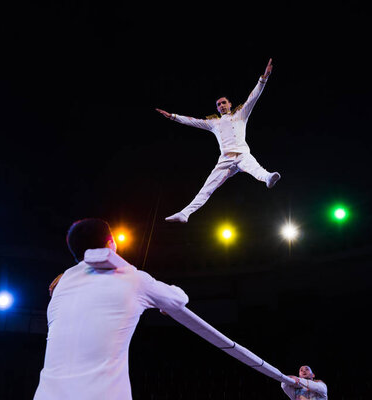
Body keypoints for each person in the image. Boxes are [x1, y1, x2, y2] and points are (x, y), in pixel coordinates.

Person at [33, 218, 189, 400]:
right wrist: (161, 302)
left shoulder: (60, 284)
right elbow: (178, 300)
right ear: (110, 244)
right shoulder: (132, 279)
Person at [156, 58, 281, 223]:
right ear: (217, 108)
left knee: (255, 167)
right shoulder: (213, 122)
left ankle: (268, 178)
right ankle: (185, 213)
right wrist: (173, 117)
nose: (221, 105)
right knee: (207, 188)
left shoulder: (240, 114)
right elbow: (192, 121)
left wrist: (263, 78)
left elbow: (253, 98)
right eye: (218, 104)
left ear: (230, 104)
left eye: (223, 102)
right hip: (225, 160)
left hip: (242, 154)